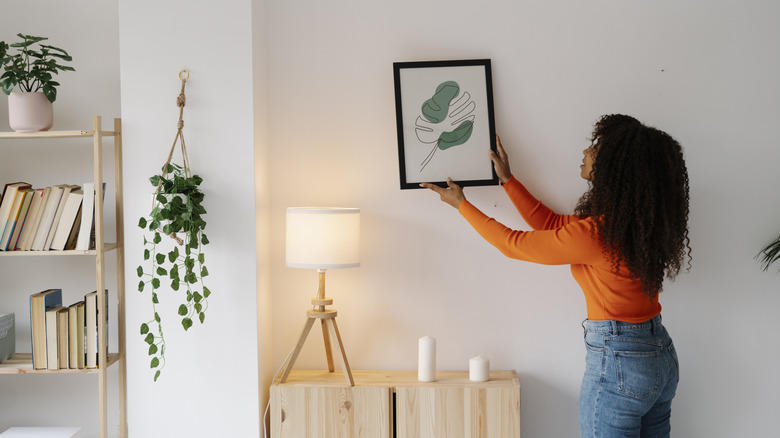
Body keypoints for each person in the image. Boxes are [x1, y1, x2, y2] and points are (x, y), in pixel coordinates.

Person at [421, 114, 690, 438]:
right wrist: (509, 181)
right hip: (659, 354)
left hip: (622, 362)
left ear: (615, 166)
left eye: (596, 147)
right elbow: (551, 224)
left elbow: (513, 244)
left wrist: (462, 205)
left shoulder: (598, 234)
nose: (586, 152)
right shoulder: (629, 227)